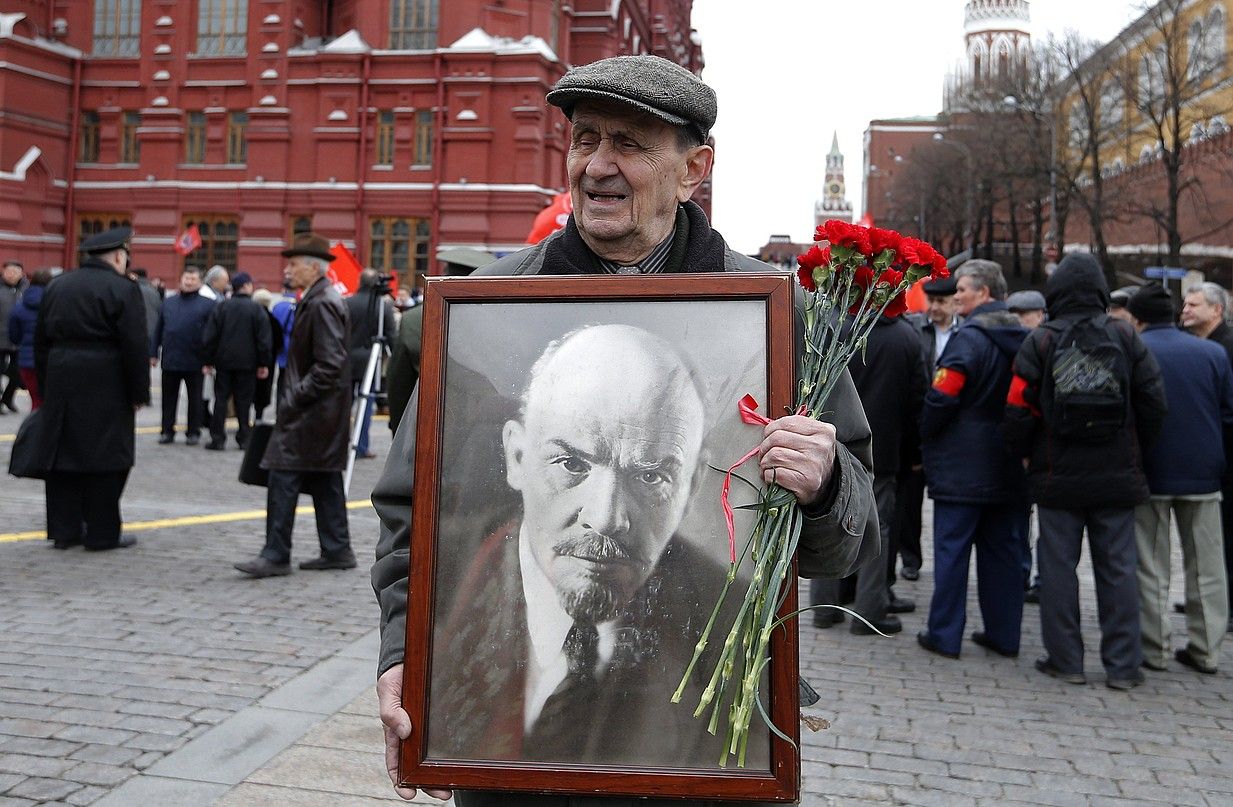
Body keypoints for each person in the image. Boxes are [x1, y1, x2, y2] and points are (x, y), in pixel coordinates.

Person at [370, 54, 877, 805]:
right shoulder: (480, 312)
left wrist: (827, 483)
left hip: (696, 759)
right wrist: (401, 653)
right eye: (584, 139)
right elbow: (413, 510)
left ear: (692, 168)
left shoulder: (781, 318)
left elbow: (855, 528)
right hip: (502, 767)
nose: (597, 166)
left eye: (629, 145)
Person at [1005, 252, 1167, 690]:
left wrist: (1025, 454)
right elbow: (1155, 403)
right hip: (1117, 474)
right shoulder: (1126, 336)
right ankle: (1123, 666)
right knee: (1119, 569)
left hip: (1057, 475)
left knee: (1058, 569)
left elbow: (1018, 408)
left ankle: (1066, 661)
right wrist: (1136, 450)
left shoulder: (1041, 340)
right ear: (1100, 290)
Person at [918, 259, 1029, 660]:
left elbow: (941, 398)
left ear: (983, 293)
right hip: (1009, 465)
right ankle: (1005, 634)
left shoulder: (968, 340)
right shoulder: (1026, 338)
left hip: (961, 467)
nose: (957, 294)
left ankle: (944, 635)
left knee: (952, 553)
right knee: (1004, 554)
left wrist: (926, 433)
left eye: (963, 288)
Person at [234, 233, 355, 578]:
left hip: (310, 415)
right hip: (320, 415)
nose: (287, 270)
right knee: (324, 479)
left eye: (293, 264)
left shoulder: (322, 302)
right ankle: (337, 549)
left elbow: (330, 365)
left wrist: (294, 396)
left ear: (313, 267)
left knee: (283, 477)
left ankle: (276, 553)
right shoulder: (321, 298)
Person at [1129, 283, 1233, 674]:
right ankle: (1206, 649)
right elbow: (1228, 412)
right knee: (1207, 566)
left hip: (1152, 472)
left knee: (1151, 565)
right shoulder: (1213, 353)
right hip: (1204, 473)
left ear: (1138, 318)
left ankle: (1154, 648)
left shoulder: (1137, 350)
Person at [31, 226, 149, 549]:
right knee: (107, 456)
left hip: (61, 375)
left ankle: (65, 530)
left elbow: (40, 341)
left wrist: (45, 386)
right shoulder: (123, 289)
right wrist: (138, 392)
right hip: (106, 377)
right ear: (118, 256)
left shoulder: (57, 285)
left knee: (62, 455)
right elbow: (134, 344)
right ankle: (101, 533)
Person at [811, 312, 927, 635]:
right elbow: (919, 401)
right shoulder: (906, 337)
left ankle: (824, 607)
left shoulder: (835, 326)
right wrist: (914, 454)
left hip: (834, 443)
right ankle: (869, 610)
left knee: (828, 519)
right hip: (885, 452)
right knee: (877, 529)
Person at [895, 275, 961, 581]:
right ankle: (910, 557)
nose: (933, 308)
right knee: (910, 499)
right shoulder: (915, 329)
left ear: (953, 303)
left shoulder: (964, 332)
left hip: (951, 424)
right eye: (930, 301)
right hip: (919, 420)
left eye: (940, 302)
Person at [1181, 282, 1233, 633]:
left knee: (1226, 536)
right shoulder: (1208, 345)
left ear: (1217, 310)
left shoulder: (1226, 348)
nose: (1185, 309)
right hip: (1217, 454)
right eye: (1185, 304)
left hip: (1227, 456)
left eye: (1194, 305)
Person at [201, 271, 272, 450]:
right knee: (244, 401)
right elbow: (263, 340)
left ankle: (217, 438)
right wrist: (263, 363)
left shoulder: (222, 307)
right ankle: (244, 438)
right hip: (248, 364)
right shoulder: (256, 309)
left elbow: (210, 337)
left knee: (221, 400)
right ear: (247, 286)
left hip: (223, 362)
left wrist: (208, 360)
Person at [150, 267, 215, 445]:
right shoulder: (169, 302)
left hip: (196, 360)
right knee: (168, 398)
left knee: (195, 400)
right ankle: (167, 431)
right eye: (186, 278)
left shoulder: (209, 304)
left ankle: (193, 432)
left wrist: (209, 360)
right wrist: (153, 353)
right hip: (171, 358)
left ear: (200, 283)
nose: (189, 282)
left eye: (193, 279)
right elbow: (158, 329)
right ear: (180, 280)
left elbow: (212, 335)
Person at [345, 269, 396, 459]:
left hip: (347, 358)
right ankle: (361, 446)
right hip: (370, 360)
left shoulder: (347, 302)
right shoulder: (382, 307)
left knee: (344, 405)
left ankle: (341, 444)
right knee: (366, 405)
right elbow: (391, 336)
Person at [7, 268, 51, 410]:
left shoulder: (20, 306)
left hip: (26, 359)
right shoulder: (55, 304)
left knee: (35, 399)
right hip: (49, 358)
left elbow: (14, 336)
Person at [0, 260, 28, 413]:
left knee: (18, 373)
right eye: (8, 271)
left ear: (21, 274)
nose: (11, 274)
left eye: (15, 271)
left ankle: (7, 398)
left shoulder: (27, 289)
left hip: (18, 339)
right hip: (0, 337)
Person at [130, 267, 163, 345]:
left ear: (135, 276)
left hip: (137, 331)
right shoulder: (154, 291)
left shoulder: (132, 289)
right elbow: (159, 309)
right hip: (152, 331)